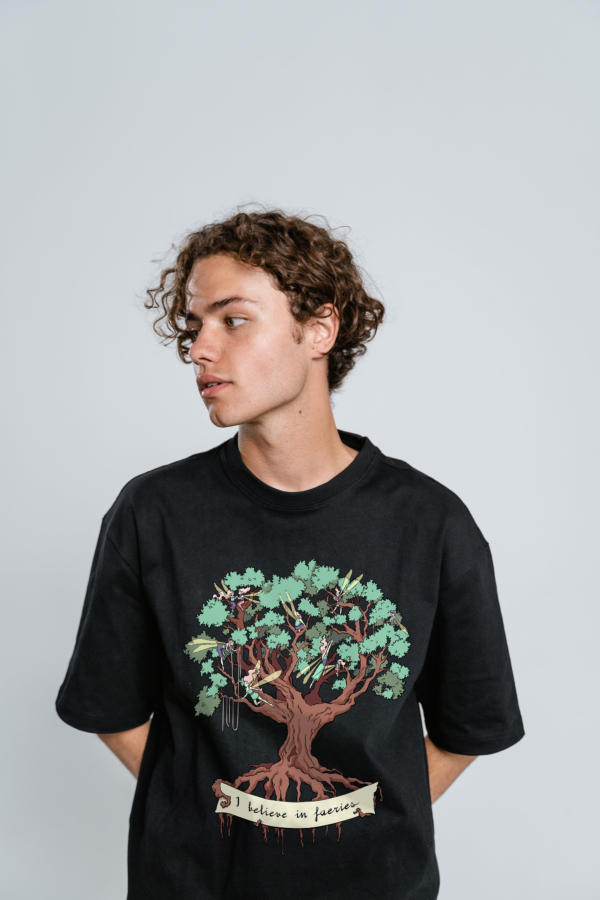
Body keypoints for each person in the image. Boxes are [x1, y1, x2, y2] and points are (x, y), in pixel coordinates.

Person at [56, 208, 524, 900]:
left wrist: (345, 824)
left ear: (319, 330)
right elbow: (111, 707)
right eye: (194, 326)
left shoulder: (430, 523)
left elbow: (471, 723)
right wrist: (213, 811)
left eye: (232, 320)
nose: (199, 349)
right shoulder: (152, 514)